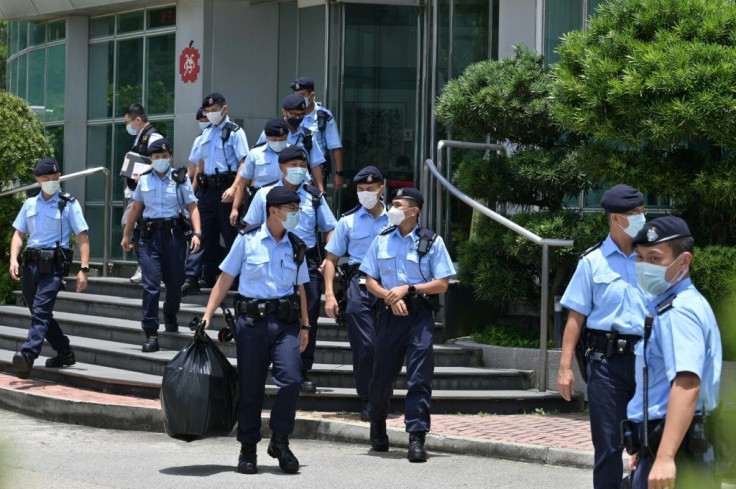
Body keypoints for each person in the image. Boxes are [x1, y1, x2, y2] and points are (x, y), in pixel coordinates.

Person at [200, 186, 311, 475]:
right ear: (274, 211)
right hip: (251, 325)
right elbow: (225, 279)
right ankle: (248, 447)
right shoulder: (247, 241)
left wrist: (306, 325)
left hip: (286, 324)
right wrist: (207, 315)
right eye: (292, 210)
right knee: (251, 389)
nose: (296, 215)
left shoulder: (296, 245)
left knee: (291, 380)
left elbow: (300, 289)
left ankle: (280, 439)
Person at [557, 184, 649, 489]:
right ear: (615, 219)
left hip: (648, 362)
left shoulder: (653, 259)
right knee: (609, 446)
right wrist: (565, 367)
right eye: (634, 214)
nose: (641, 218)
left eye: (641, 212)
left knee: (652, 443)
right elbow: (575, 317)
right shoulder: (591, 262)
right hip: (607, 366)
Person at [359, 187, 455, 463]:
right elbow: (370, 280)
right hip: (390, 316)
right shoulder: (382, 239)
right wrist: (390, 297)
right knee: (381, 378)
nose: (392, 207)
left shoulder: (431, 242)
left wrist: (409, 289)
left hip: (419, 317)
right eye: (393, 203)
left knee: (419, 379)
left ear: (414, 210)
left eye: (398, 204)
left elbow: (443, 283)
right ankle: (377, 424)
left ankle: (416, 436)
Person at [625, 216, 722, 489]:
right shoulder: (669, 305)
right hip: (666, 443)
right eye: (640, 258)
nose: (644, 266)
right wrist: (648, 445)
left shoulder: (679, 312)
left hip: (679, 453)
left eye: (655, 259)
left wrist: (666, 456)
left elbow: (687, 383)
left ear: (684, 261)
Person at [243, 145, 337, 393]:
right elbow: (250, 227)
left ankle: (302, 369)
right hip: (271, 260)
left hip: (307, 262)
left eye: (303, 166)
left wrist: (330, 256)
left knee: (309, 317)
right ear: (281, 167)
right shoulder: (264, 194)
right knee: (272, 313)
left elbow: (330, 229)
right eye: (293, 165)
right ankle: (265, 366)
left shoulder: (314, 196)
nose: (299, 170)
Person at [9, 158, 90, 379]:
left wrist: (84, 269)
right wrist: (13, 259)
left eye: (55, 178)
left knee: (42, 311)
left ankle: (27, 355)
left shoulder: (68, 203)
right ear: (38, 180)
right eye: (47, 179)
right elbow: (18, 234)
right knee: (39, 313)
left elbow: (82, 236)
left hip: (54, 267)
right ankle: (64, 352)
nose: (52, 182)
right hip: (31, 265)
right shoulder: (30, 204)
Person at [121, 139, 202, 352]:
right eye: (156, 157)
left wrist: (197, 233)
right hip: (149, 238)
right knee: (151, 285)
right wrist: (126, 233)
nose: (161, 161)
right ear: (151, 159)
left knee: (175, 284)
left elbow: (192, 206)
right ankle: (151, 333)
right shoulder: (144, 180)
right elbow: (136, 207)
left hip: (174, 237)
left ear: (170, 157)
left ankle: (170, 312)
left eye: (164, 157)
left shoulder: (180, 179)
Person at [323, 166, 389, 420]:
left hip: (388, 286)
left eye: (370, 190)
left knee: (386, 346)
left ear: (381, 189)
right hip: (358, 285)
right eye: (361, 190)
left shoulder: (395, 219)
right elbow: (331, 260)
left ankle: (382, 394)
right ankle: (369, 398)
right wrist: (329, 295)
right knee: (365, 346)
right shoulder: (347, 221)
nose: (365, 194)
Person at [192, 92, 249, 288]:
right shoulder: (206, 133)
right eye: (208, 111)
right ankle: (208, 273)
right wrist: (195, 189)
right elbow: (201, 162)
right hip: (207, 190)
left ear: (225, 109)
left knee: (230, 234)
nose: (211, 114)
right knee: (206, 233)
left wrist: (235, 188)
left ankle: (235, 278)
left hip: (227, 187)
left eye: (214, 110)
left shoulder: (235, 132)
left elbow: (244, 161)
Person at [122, 103, 162, 284]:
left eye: (129, 122)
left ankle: (145, 265)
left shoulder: (153, 137)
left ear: (138, 120)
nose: (128, 127)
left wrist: (144, 173)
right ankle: (144, 264)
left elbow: (163, 160)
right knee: (134, 226)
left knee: (133, 225)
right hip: (136, 191)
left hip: (148, 192)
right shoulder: (139, 138)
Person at [255, 94, 326, 192]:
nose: (298, 118)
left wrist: (320, 190)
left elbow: (315, 164)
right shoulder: (272, 131)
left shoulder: (308, 135)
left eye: (301, 114)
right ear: (285, 112)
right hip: (271, 188)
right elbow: (257, 156)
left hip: (299, 188)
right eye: (294, 114)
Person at [227, 118, 290, 228]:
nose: (278, 143)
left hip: (287, 203)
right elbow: (243, 183)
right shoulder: (255, 154)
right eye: (274, 140)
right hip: (259, 203)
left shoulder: (294, 153)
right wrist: (235, 209)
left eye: (282, 139)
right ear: (267, 138)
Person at [290, 76, 345, 191]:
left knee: (314, 201)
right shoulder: (290, 114)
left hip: (316, 170)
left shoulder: (324, 116)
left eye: (302, 95)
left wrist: (339, 173)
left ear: (312, 95)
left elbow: (336, 147)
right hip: (293, 168)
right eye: (295, 96)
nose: (298, 99)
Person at [181, 106, 210, 296]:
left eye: (206, 119)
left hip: (221, 189)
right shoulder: (200, 139)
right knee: (200, 232)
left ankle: (211, 273)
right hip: (202, 191)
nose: (204, 123)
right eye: (201, 120)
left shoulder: (230, 133)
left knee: (217, 235)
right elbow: (193, 167)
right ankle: (193, 276)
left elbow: (201, 166)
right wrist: (188, 193)